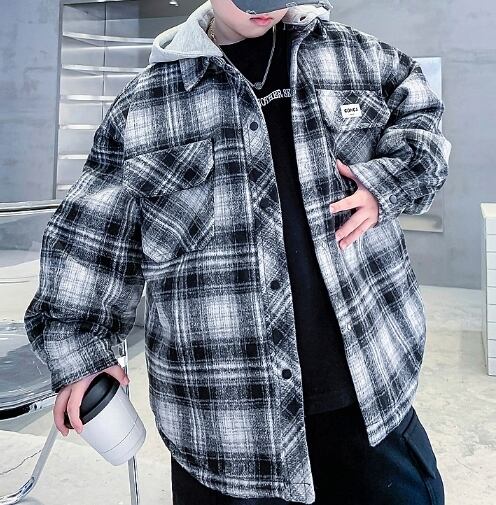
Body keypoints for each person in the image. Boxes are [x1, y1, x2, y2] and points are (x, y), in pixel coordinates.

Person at [24, 0, 451, 503]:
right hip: (225, 429)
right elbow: (91, 237)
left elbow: (421, 118)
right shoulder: (146, 104)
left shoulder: (356, 57)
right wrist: (81, 352)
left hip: (370, 399)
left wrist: (391, 182)